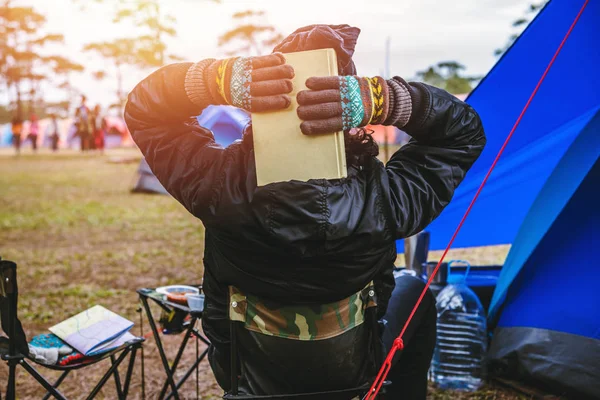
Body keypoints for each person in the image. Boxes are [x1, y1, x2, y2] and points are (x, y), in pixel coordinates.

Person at [125, 24, 486, 399]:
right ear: (350, 106)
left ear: (257, 103)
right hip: (356, 374)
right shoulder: (387, 200)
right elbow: (464, 133)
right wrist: (387, 100)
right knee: (416, 291)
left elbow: (145, 111)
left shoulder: (217, 186)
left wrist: (217, 80)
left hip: (244, 378)